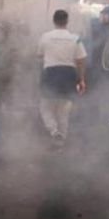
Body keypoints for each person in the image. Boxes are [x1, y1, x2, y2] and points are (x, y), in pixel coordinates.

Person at [37, 9, 87, 147]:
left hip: (50, 74)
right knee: (63, 110)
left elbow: (39, 56)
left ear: (53, 21)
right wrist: (81, 79)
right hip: (69, 74)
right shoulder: (75, 38)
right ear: (67, 22)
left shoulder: (45, 36)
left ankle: (54, 131)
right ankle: (61, 142)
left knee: (45, 107)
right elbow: (82, 59)